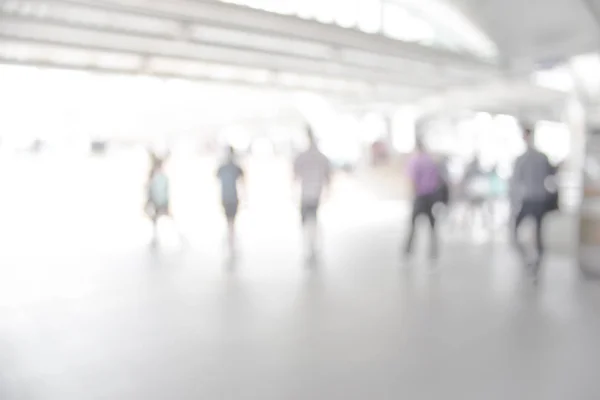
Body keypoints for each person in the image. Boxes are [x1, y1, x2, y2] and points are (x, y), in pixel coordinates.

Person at [510, 126, 554, 275]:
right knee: (537, 232)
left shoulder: (523, 159)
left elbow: (516, 183)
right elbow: (551, 176)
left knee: (519, 231)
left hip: (530, 199)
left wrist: (514, 203)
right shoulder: (542, 158)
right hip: (538, 199)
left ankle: (532, 260)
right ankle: (535, 260)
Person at [293, 127, 331, 263]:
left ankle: (310, 246)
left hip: (307, 193)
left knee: (307, 221)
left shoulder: (302, 157)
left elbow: (295, 175)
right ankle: (313, 246)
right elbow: (328, 176)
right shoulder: (321, 157)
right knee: (312, 220)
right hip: (315, 193)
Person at [404, 138, 441, 259]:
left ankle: (408, 251)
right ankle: (433, 251)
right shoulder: (430, 161)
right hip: (431, 196)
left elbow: (412, 180)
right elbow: (437, 179)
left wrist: (412, 195)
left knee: (413, 224)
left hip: (420, 196)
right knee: (432, 225)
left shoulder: (415, 161)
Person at [145, 157, 184, 247]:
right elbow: (150, 191)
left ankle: (179, 236)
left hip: (162, 203)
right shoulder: (153, 178)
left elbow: (165, 191)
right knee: (155, 221)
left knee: (168, 219)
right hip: (156, 203)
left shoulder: (162, 177)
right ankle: (155, 239)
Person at [216, 146, 245, 256]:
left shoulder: (223, 167)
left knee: (230, 221)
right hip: (231, 197)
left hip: (227, 197)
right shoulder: (234, 167)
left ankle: (230, 240)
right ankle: (231, 240)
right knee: (231, 222)